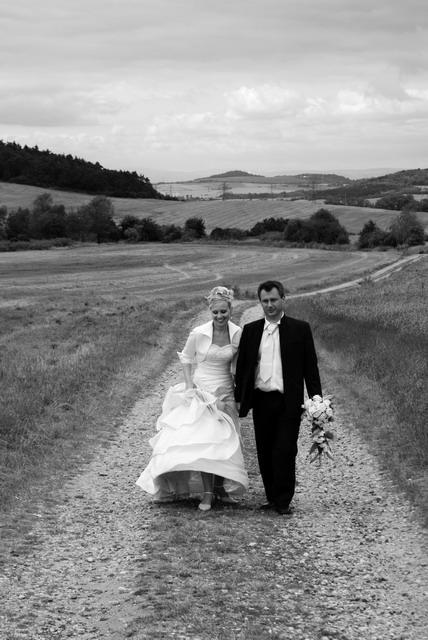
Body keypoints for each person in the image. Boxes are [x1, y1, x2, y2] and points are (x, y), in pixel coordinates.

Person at [136, 286, 248, 511]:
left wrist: (238, 391)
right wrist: (189, 386)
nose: (219, 316)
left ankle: (220, 489)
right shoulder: (198, 333)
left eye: (223, 312)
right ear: (210, 311)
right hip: (201, 391)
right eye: (215, 312)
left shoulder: (237, 333)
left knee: (223, 442)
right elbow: (186, 358)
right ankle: (207, 493)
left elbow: (240, 364)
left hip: (225, 391)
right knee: (205, 441)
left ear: (230, 310)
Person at [234, 280, 322, 515]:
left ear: (283, 299)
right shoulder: (251, 331)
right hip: (261, 400)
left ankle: (283, 500)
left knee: (285, 450)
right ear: (260, 302)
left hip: (288, 401)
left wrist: (317, 401)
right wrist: (238, 397)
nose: (270, 305)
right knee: (264, 451)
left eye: (274, 300)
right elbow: (243, 368)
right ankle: (271, 497)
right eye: (265, 301)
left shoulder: (300, 329)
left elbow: (310, 368)